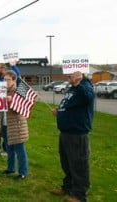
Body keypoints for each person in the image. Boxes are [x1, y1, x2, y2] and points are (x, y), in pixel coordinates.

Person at [50, 71, 95, 202]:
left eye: (70, 74)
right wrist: (60, 111)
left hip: (77, 134)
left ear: (79, 74)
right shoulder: (72, 89)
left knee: (79, 165)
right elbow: (71, 105)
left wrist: (79, 82)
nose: (67, 77)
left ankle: (80, 195)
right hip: (66, 133)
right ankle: (68, 187)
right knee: (67, 163)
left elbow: (88, 97)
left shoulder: (86, 87)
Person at [0, 70, 29, 179]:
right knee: (9, 148)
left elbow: (22, 107)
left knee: (19, 149)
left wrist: (12, 100)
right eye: (4, 79)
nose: (6, 82)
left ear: (14, 80)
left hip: (16, 124)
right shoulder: (2, 91)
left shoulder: (19, 91)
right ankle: (10, 168)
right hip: (5, 123)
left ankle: (23, 172)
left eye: (8, 79)